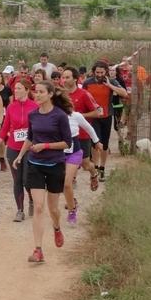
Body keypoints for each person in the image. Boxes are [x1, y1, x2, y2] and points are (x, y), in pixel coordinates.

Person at [14, 82, 73, 263]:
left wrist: (45, 146)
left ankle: (56, 227)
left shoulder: (60, 116)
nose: (37, 95)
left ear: (50, 94)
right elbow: (30, 138)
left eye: (41, 92)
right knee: (38, 207)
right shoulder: (33, 115)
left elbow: (67, 143)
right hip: (35, 164)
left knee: (53, 209)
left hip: (55, 165)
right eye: (35, 92)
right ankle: (38, 250)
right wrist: (20, 156)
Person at [0, 77, 36, 221]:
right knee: (17, 180)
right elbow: (4, 129)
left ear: (27, 90)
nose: (15, 91)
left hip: (30, 148)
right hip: (13, 147)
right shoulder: (11, 107)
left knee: (27, 180)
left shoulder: (35, 106)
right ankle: (20, 210)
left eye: (19, 88)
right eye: (15, 88)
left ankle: (32, 199)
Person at [57, 87, 102, 227]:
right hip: (58, 153)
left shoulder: (75, 115)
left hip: (74, 151)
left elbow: (89, 128)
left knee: (70, 180)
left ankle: (72, 211)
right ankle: (72, 202)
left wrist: (97, 141)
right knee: (62, 183)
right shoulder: (51, 117)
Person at [82, 60, 127, 181]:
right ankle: (96, 167)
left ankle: (102, 168)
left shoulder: (111, 81)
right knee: (96, 142)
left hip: (107, 116)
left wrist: (110, 86)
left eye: (102, 72)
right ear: (94, 72)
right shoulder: (87, 82)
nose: (99, 75)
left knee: (105, 144)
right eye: (97, 72)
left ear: (106, 72)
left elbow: (124, 93)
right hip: (93, 117)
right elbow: (82, 96)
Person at [61, 67, 102, 191]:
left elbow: (97, 113)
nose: (64, 80)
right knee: (67, 164)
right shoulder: (61, 95)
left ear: (75, 79)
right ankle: (70, 189)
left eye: (67, 77)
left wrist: (77, 117)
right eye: (63, 77)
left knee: (85, 164)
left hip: (82, 135)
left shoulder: (84, 94)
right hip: (66, 136)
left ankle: (93, 173)